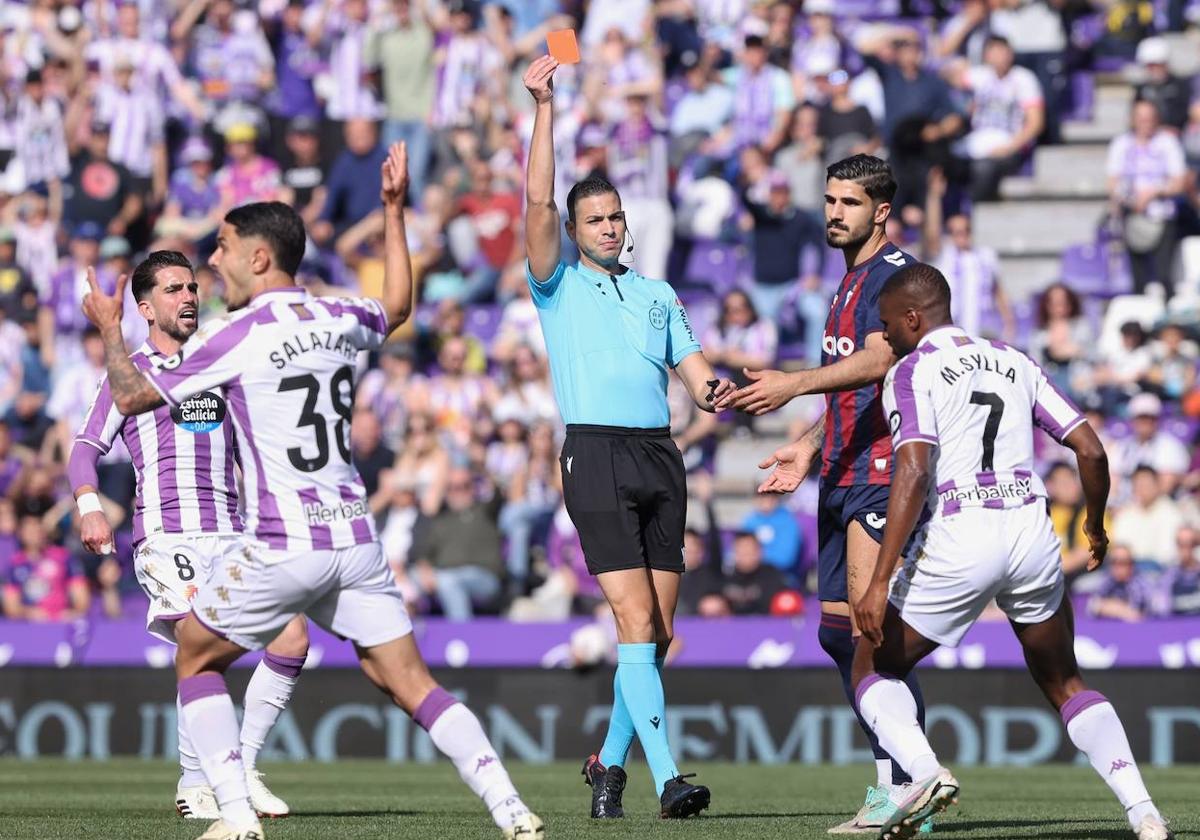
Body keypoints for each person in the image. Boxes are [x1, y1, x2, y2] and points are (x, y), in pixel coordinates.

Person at [80, 146, 542, 840]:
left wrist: (111, 328)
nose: (214, 263)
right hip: (356, 540)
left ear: (260, 259)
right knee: (411, 684)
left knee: (197, 656)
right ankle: (511, 808)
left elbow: (126, 392)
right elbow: (399, 303)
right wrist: (392, 211)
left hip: (280, 540)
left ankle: (233, 813)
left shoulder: (233, 335)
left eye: (225, 248)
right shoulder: (338, 316)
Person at [849, 263, 1173, 840]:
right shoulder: (1014, 359)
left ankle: (923, 773)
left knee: (872, 663)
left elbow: (915, 468)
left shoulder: (912, 369)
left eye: (889, 324)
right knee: (1065, 681)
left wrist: (877, 581)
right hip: (1031, 527)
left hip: (962, 526)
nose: (886, 336)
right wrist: (1095, 527)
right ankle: (1144, 811)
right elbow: (1092, 450)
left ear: (914, 318)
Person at [522, 55, 734, 820]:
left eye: (616, 216)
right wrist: (546, 108)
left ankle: (607, 762)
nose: (610, 227)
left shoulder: (658, 293)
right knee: (635, 622)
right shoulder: (558, 284)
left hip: (658, 454)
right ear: (575, 233)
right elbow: (537, 202)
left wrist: (731, 389)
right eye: (596, 220)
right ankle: (668, 775)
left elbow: (697, 372)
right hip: (597, 452)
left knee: (661, 632)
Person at [721, 155, 928, 834]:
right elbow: (852, 385)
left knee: (870, 634)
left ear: (881, 211)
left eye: (850, 202)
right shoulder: (845, 282)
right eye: (831, 200)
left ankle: (901, 787)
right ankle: (905, 779)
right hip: (837, 468)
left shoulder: (895, 280)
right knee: (840, 635)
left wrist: (791, 384)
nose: (835, 212)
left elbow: (879, 361)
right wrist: (809, 444)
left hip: (878, 472)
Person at [68, 250, 305, 820]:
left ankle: (239, 769)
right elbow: (85, 449)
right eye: (175, 290)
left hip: (231, 533)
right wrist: (89, 508)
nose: (190, 297)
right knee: (205, 649)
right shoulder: (129, 375)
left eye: (193, 287)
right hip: (169, 537)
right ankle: (197, 783)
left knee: (291, 637)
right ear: (145, 308)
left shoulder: (217, 362)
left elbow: (250, 449)